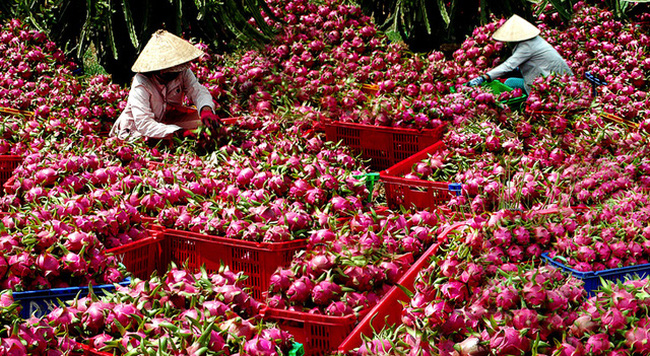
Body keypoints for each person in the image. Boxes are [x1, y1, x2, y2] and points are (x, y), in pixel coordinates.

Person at [110, 29, 220, 141]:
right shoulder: (141, 83)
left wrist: (206, 109)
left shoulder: (181, 72)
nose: (178, 73)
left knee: (205, 123)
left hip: (167, 119)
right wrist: (177, 132)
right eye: (172, 71)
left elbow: (197, 90)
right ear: (161, 71)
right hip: (136, 130)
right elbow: (144, 123)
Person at [468, 15, 573, 93]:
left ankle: (526, 100)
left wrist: (484, 77)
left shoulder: (526, 46)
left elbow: (508, 65)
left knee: (510, 83)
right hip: (561, 77)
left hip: (551, 83)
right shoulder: (536, 40)